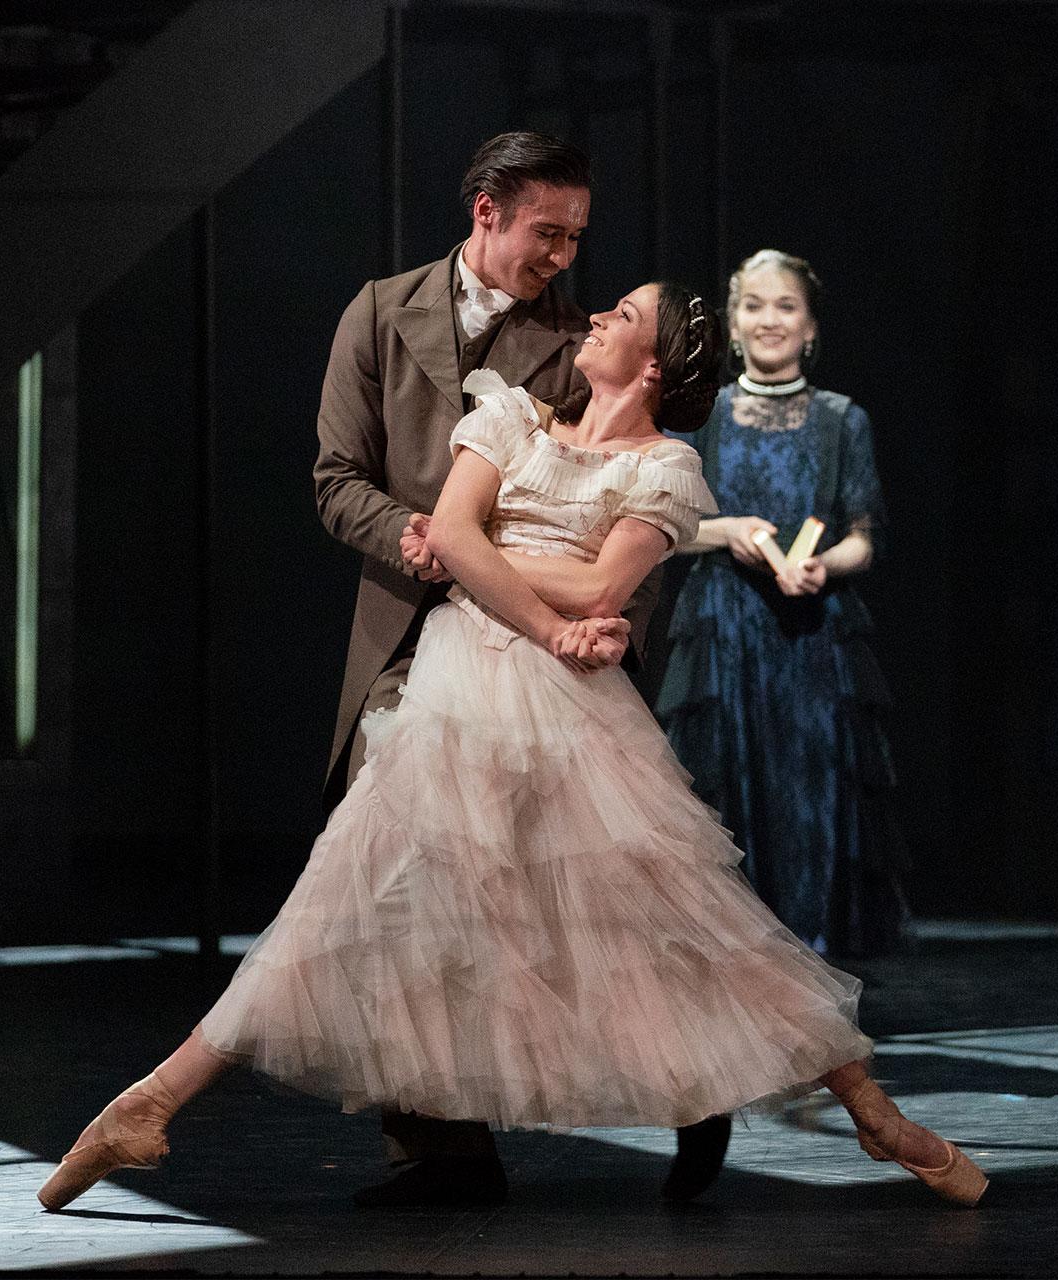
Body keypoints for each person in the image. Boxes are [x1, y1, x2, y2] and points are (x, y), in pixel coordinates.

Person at [36, 282, 988, 1215]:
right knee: (340, 903)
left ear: (649, 365)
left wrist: (506, 575)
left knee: (693, 914)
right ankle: (147, 1105)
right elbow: (458, 533)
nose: (600, 313)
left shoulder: (665, 468)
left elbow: (585, 588)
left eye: (622, 315)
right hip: (459, 695)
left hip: (572, 712)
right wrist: (540, 596)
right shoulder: (510, 417)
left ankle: (875, 1115)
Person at [309, 130, 714, 1206]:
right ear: (486, 211)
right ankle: (441, 1146)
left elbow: (623, 497)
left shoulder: (575, 340)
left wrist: (604, 612)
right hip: (408, 631)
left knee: (578, 889)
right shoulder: (379, 312)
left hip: (533, 640)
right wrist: (423, 536)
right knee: (400, 872)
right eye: (549, 232)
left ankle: (692, 1075)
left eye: (578, 238)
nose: (564, 259)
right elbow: (335, 477)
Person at [655, 250, 911, 958]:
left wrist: (825, 565)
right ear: (732, 326)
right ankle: (737, 978)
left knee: (811, 800)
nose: (770, 320)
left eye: (786, 306)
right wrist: (725, 531)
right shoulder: (700, 417)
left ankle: (813, 967)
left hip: (815, 639)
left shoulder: (840, 421)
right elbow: (659, 529)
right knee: (728, 799)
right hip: (724, 635)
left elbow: (867, 534)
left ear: (810, 326)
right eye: (755, 306)